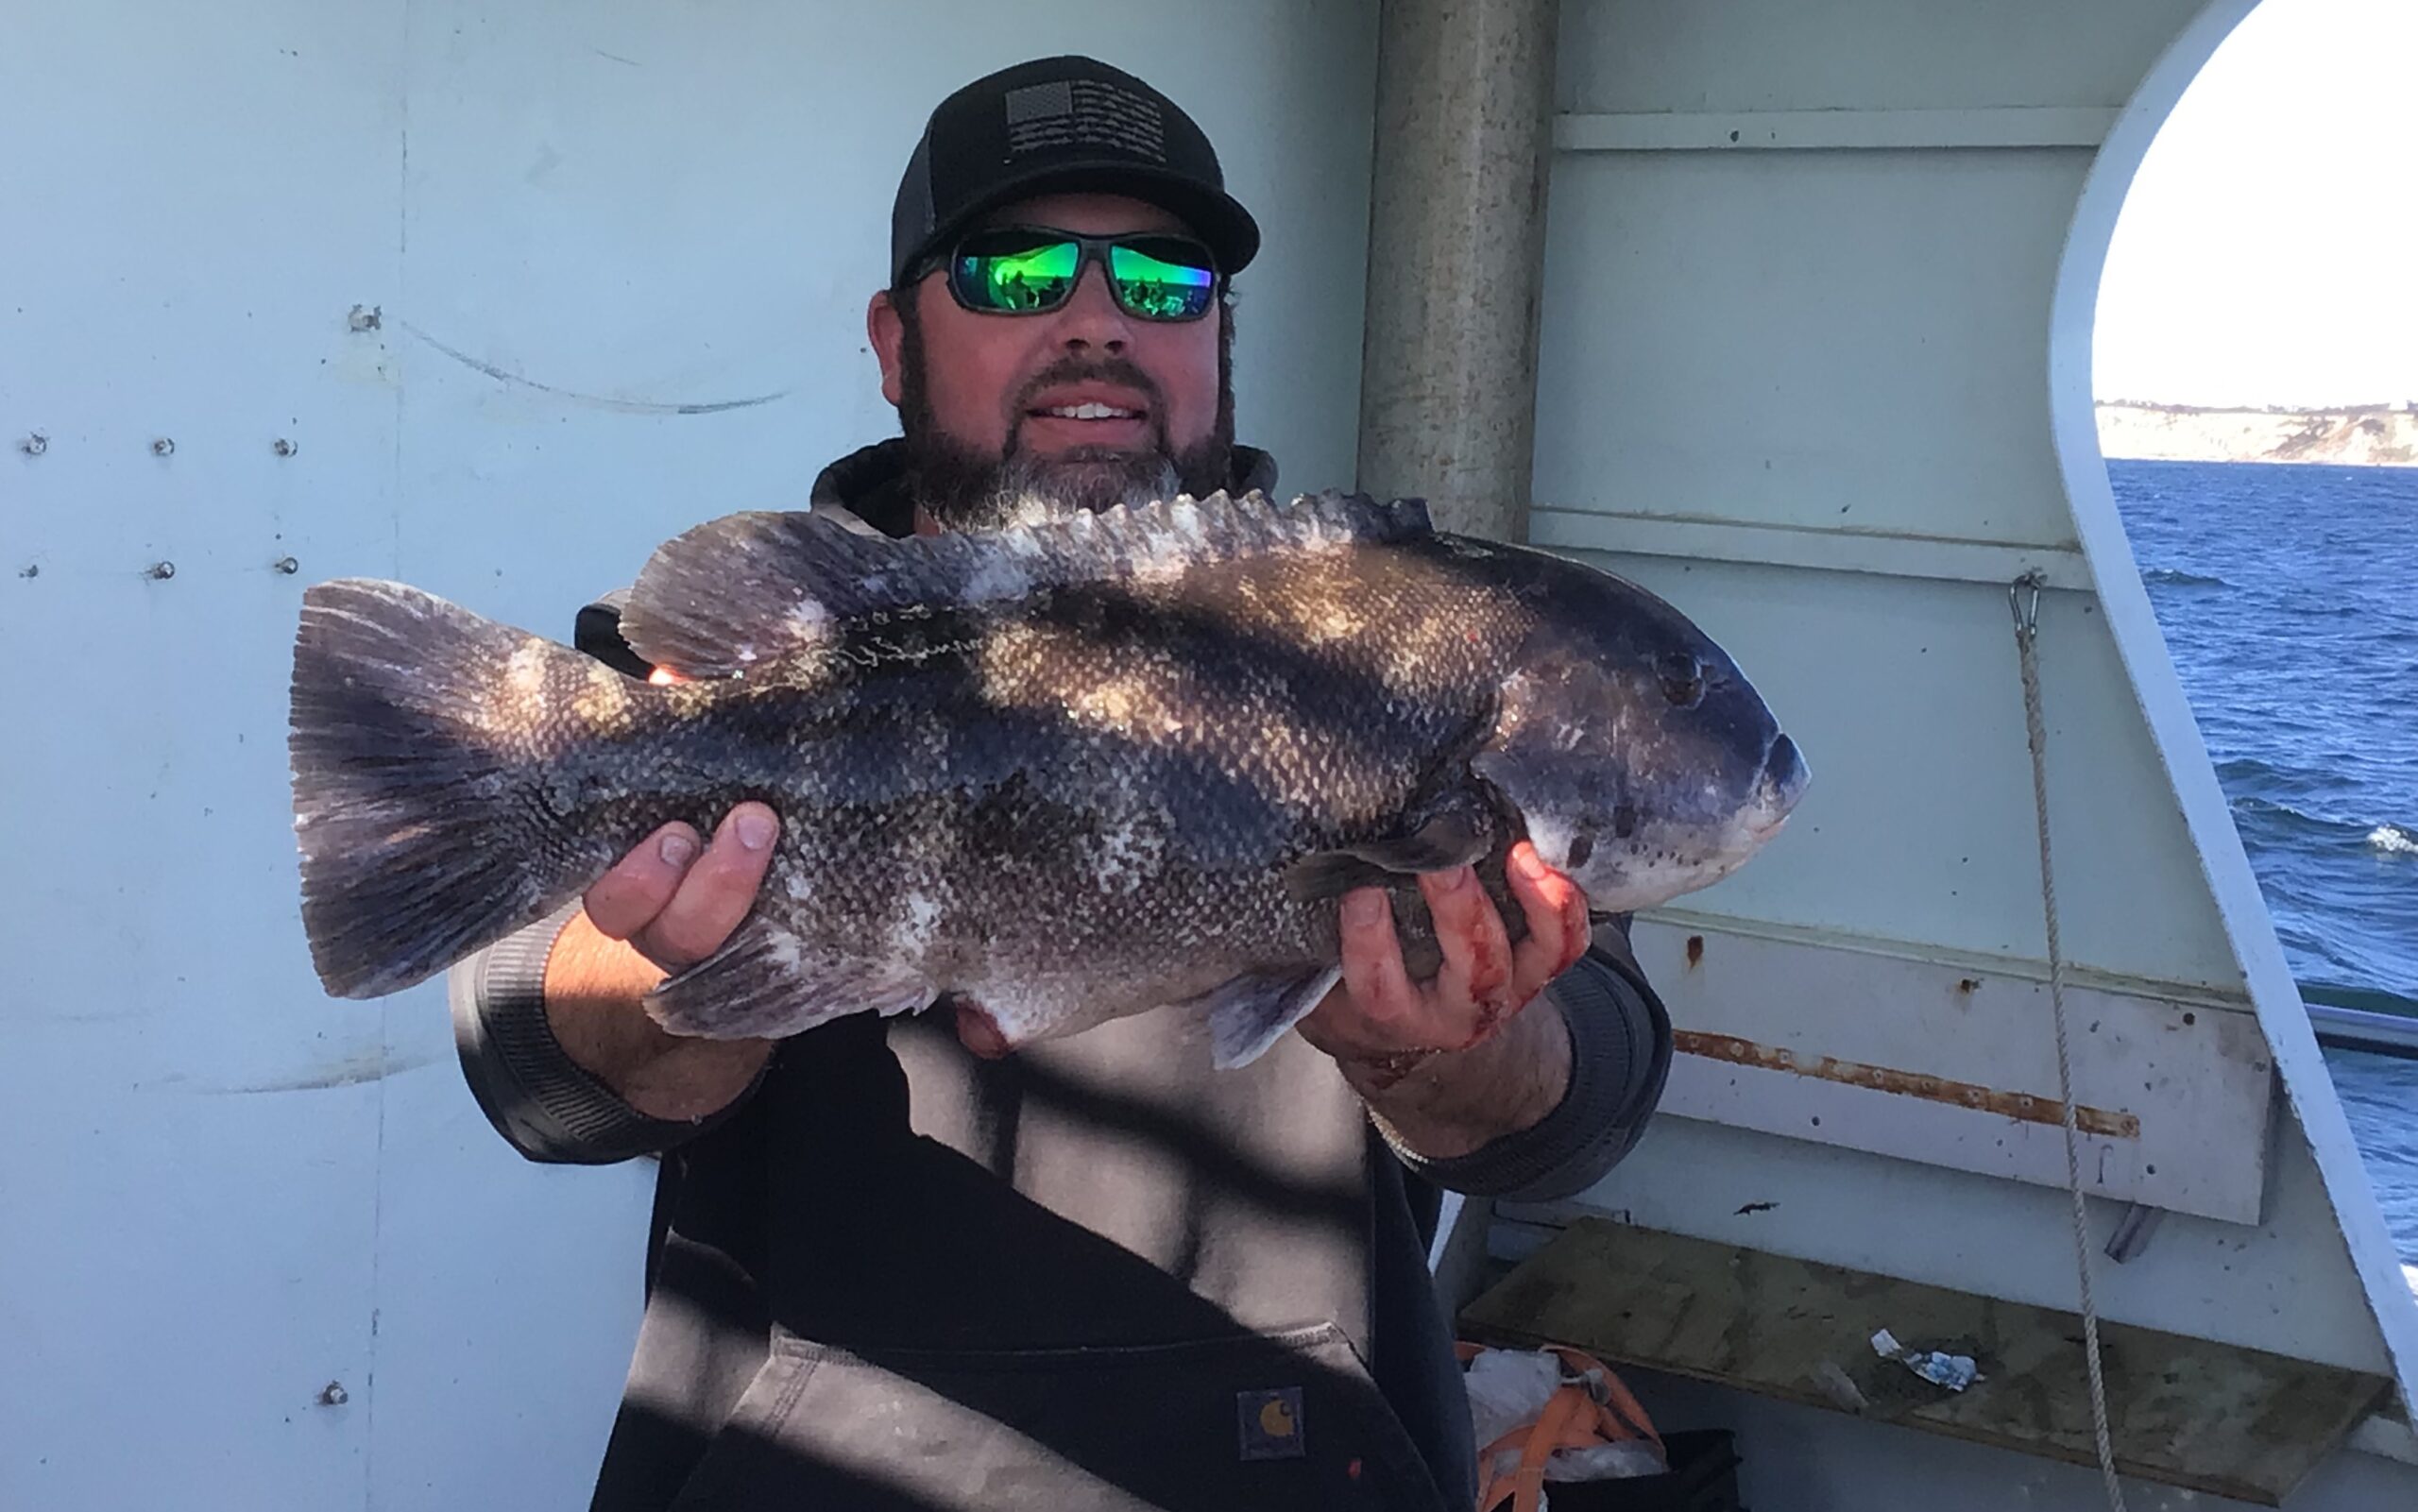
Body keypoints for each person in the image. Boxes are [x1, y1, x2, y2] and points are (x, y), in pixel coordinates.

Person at [450, 54, 1673, 1512]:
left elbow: (1585, 1095)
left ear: (1220, 336)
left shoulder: (1401, 650)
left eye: (1164, 283)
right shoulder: (721, 681)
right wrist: (668, 979)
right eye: (1017, 269)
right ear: (895, 340)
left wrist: (1441, 1045)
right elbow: (528, 1071)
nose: (1096, 319)